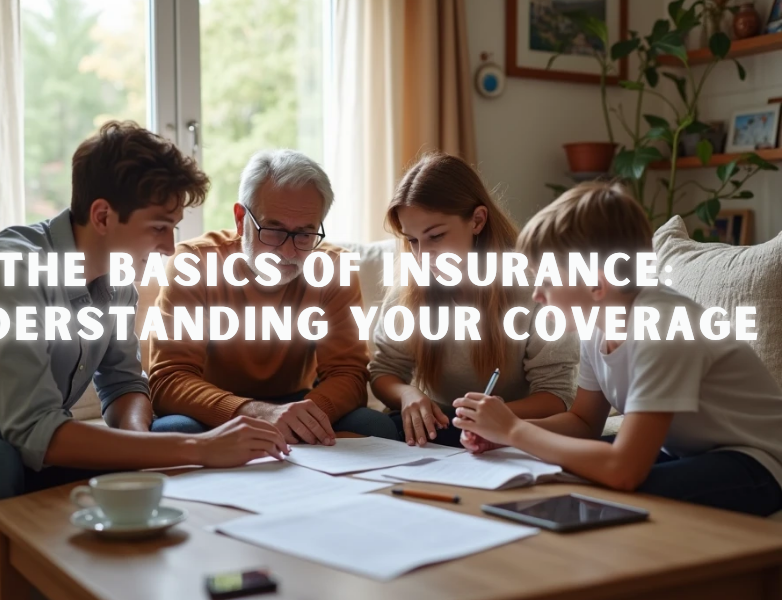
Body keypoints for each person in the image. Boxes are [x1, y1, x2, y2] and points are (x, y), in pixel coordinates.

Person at [0, 121, 288, 600]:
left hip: (17, 448)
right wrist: (193, 451)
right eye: (159, 228)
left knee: (179, 427)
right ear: (102, 215)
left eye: (173, 229)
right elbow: (35, 431)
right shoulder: (11, 270)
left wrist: (137, 445)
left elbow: (123, 383)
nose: (169, 247)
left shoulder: (118, 279)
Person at [452, 181, 782, 516]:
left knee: (613, 491)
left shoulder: (662, 326)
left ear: (597, 283)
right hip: (690, 453)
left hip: (759, 462)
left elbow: (624, 470)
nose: (537, 294)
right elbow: (583, 422)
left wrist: (514, 430)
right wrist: (504, 435)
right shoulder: (598, 325)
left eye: (547, 281)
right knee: (556, 467)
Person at [149, 149, 398, 443]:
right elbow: (169, 380)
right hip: (213, 408)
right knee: (175, 430)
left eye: (305, 234)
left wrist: (300, 416)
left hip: (300, 401)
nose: (289, 252)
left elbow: (349, 375)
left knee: (376, 428)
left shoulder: (333, 266)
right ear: (241, 219)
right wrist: (255, 413)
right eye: (274, 230)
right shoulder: (194, 262)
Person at [369, 152, 578, 447]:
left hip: (509, 432)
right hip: (439, 430)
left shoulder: (535, 287)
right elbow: (384, 371)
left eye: (436, 236)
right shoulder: (410, 286)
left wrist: (491, 417)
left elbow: (557, 394)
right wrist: (408, 394)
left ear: (477, 220)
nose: (421, 256)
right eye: (412, 240)